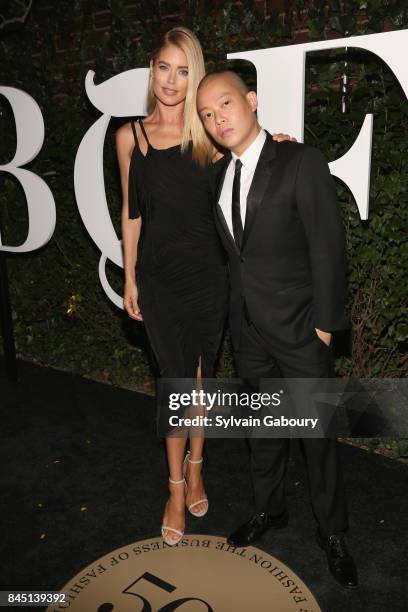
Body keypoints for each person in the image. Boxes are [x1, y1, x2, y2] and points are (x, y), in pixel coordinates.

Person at [115, 28, 293, 546]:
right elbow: (132, 213)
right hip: (159, 279)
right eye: (164, 68)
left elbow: (247, 154)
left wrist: (275, 145)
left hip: (209, 277)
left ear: (194, 75)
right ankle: (175, 488)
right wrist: (129, 277)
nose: (172, 81)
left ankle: (197, 466)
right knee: (176, 385)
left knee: (200, 382)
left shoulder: (207, 136)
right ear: (151, 69)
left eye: (184, 70)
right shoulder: (130, 137)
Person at [196, 70, 358, 589]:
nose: (216, 117)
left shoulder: (300, 161)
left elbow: (327, 248)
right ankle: (270, 510)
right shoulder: (218, 176)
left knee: (318, 438)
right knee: (262, 433)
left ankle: (332, 531)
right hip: (247, 333)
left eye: (223, 103)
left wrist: (327, 328)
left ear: (252, 101)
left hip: (302, 332)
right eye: (206, 113)